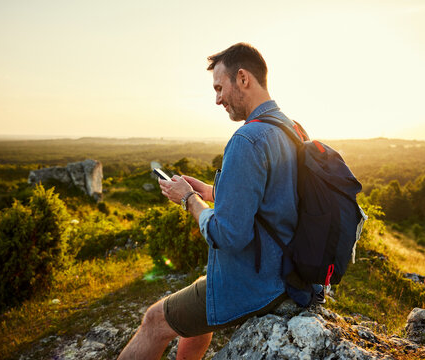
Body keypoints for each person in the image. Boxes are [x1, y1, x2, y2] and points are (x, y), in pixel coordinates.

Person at [118, 43, 300, 360]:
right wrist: (208, 191)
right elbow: (273, 197)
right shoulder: (290, 128)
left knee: (154, 320)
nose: (217, 99)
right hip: (289, 271)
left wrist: (189, 200)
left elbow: (228, 236)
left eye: (219, 87)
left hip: (262, 283)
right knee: (205, 285)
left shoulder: (248, 139)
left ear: (242, 78)